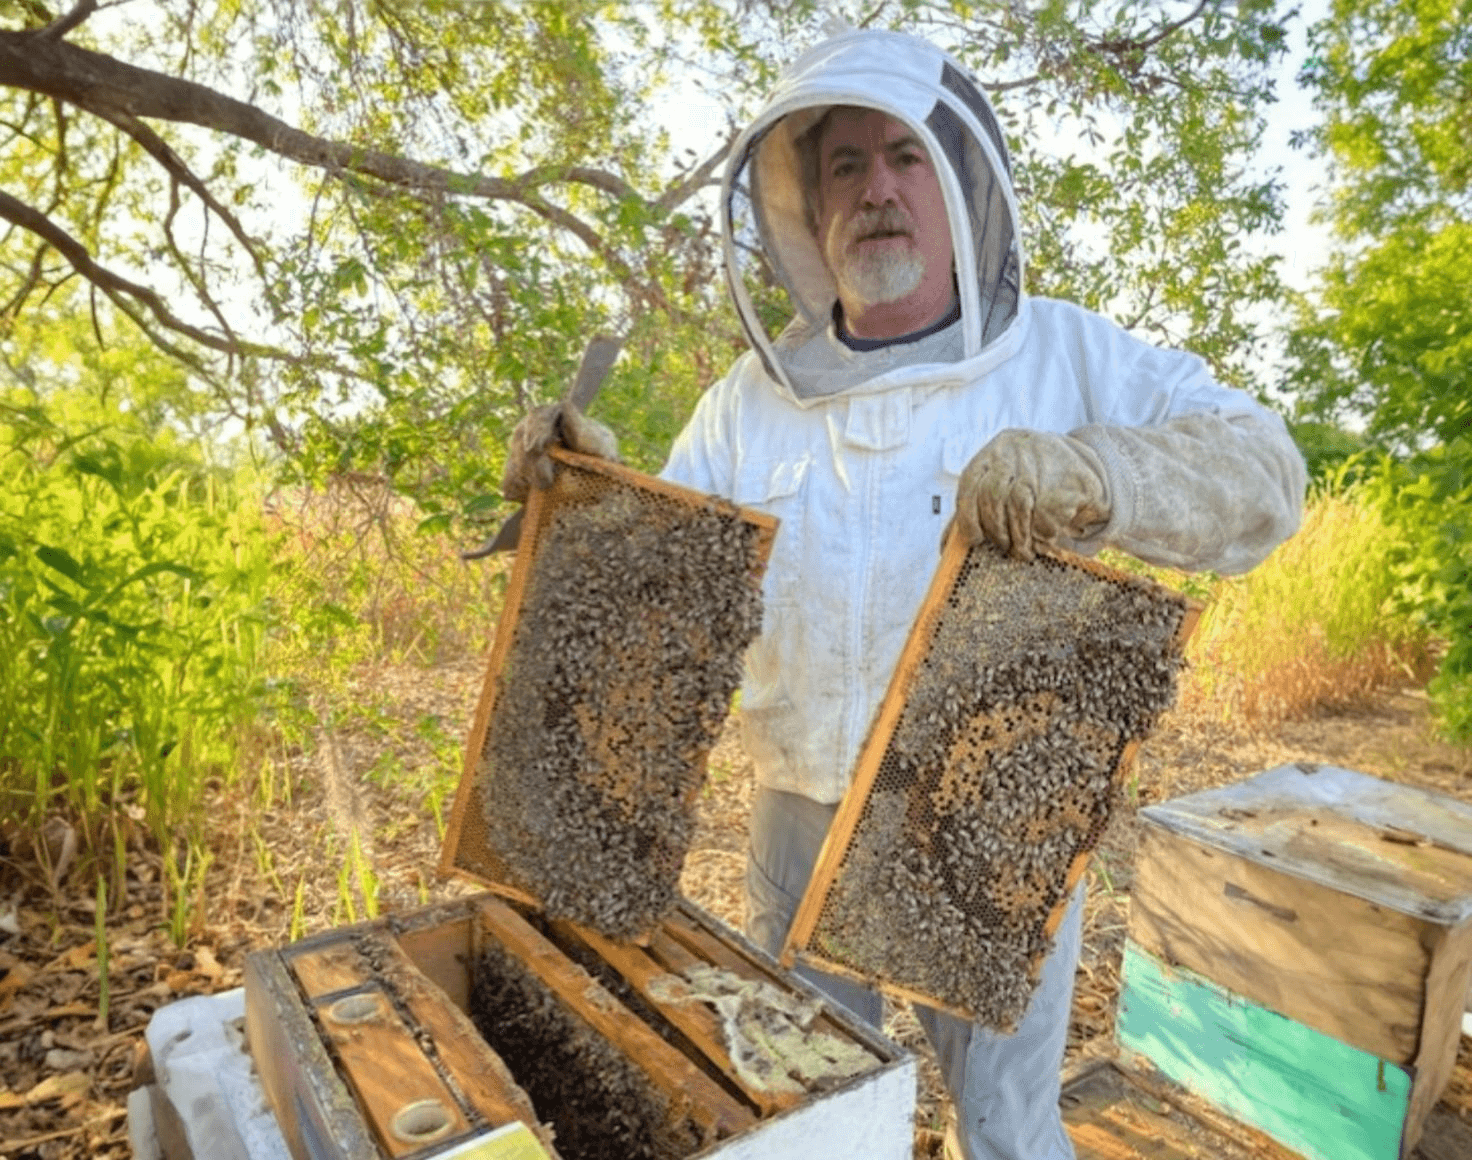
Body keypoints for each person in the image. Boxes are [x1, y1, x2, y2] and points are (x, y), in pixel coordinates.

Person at [503, 27, 1305, 1160]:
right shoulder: (748, 401)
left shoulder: (1061, 356)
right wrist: (587, 499)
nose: (875, 189)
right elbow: (661, 591)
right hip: (793, 818)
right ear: (810, 208)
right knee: (814, 1123)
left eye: (903, 156)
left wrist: (1097, 474)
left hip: (993, 824)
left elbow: (1267, 472)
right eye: (846, 165)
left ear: (957, 182)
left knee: (1008, 1129)